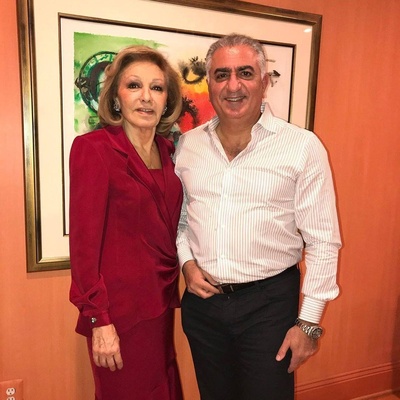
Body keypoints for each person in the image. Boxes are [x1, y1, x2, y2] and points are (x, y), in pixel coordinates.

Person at [174, 33, 341, 400]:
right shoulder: (188, 145)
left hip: (269, 305)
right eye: (221, 75)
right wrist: (187, 264)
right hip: (204, 306)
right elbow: (181, 221)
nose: (233, 85)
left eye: (245, 73)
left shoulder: (301, 147)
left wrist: (309, 323)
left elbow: (323, 241)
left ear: (264, 82)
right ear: (209, 83)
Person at [69, 45, 184, 400]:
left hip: (160, 305)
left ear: (167, 100)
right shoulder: (94, 149)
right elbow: (84, 247)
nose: (146, 97)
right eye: (134, 85)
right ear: (116, 97)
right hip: (117, 314)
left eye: (157, 87)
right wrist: (98, 319)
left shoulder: (170, 152)